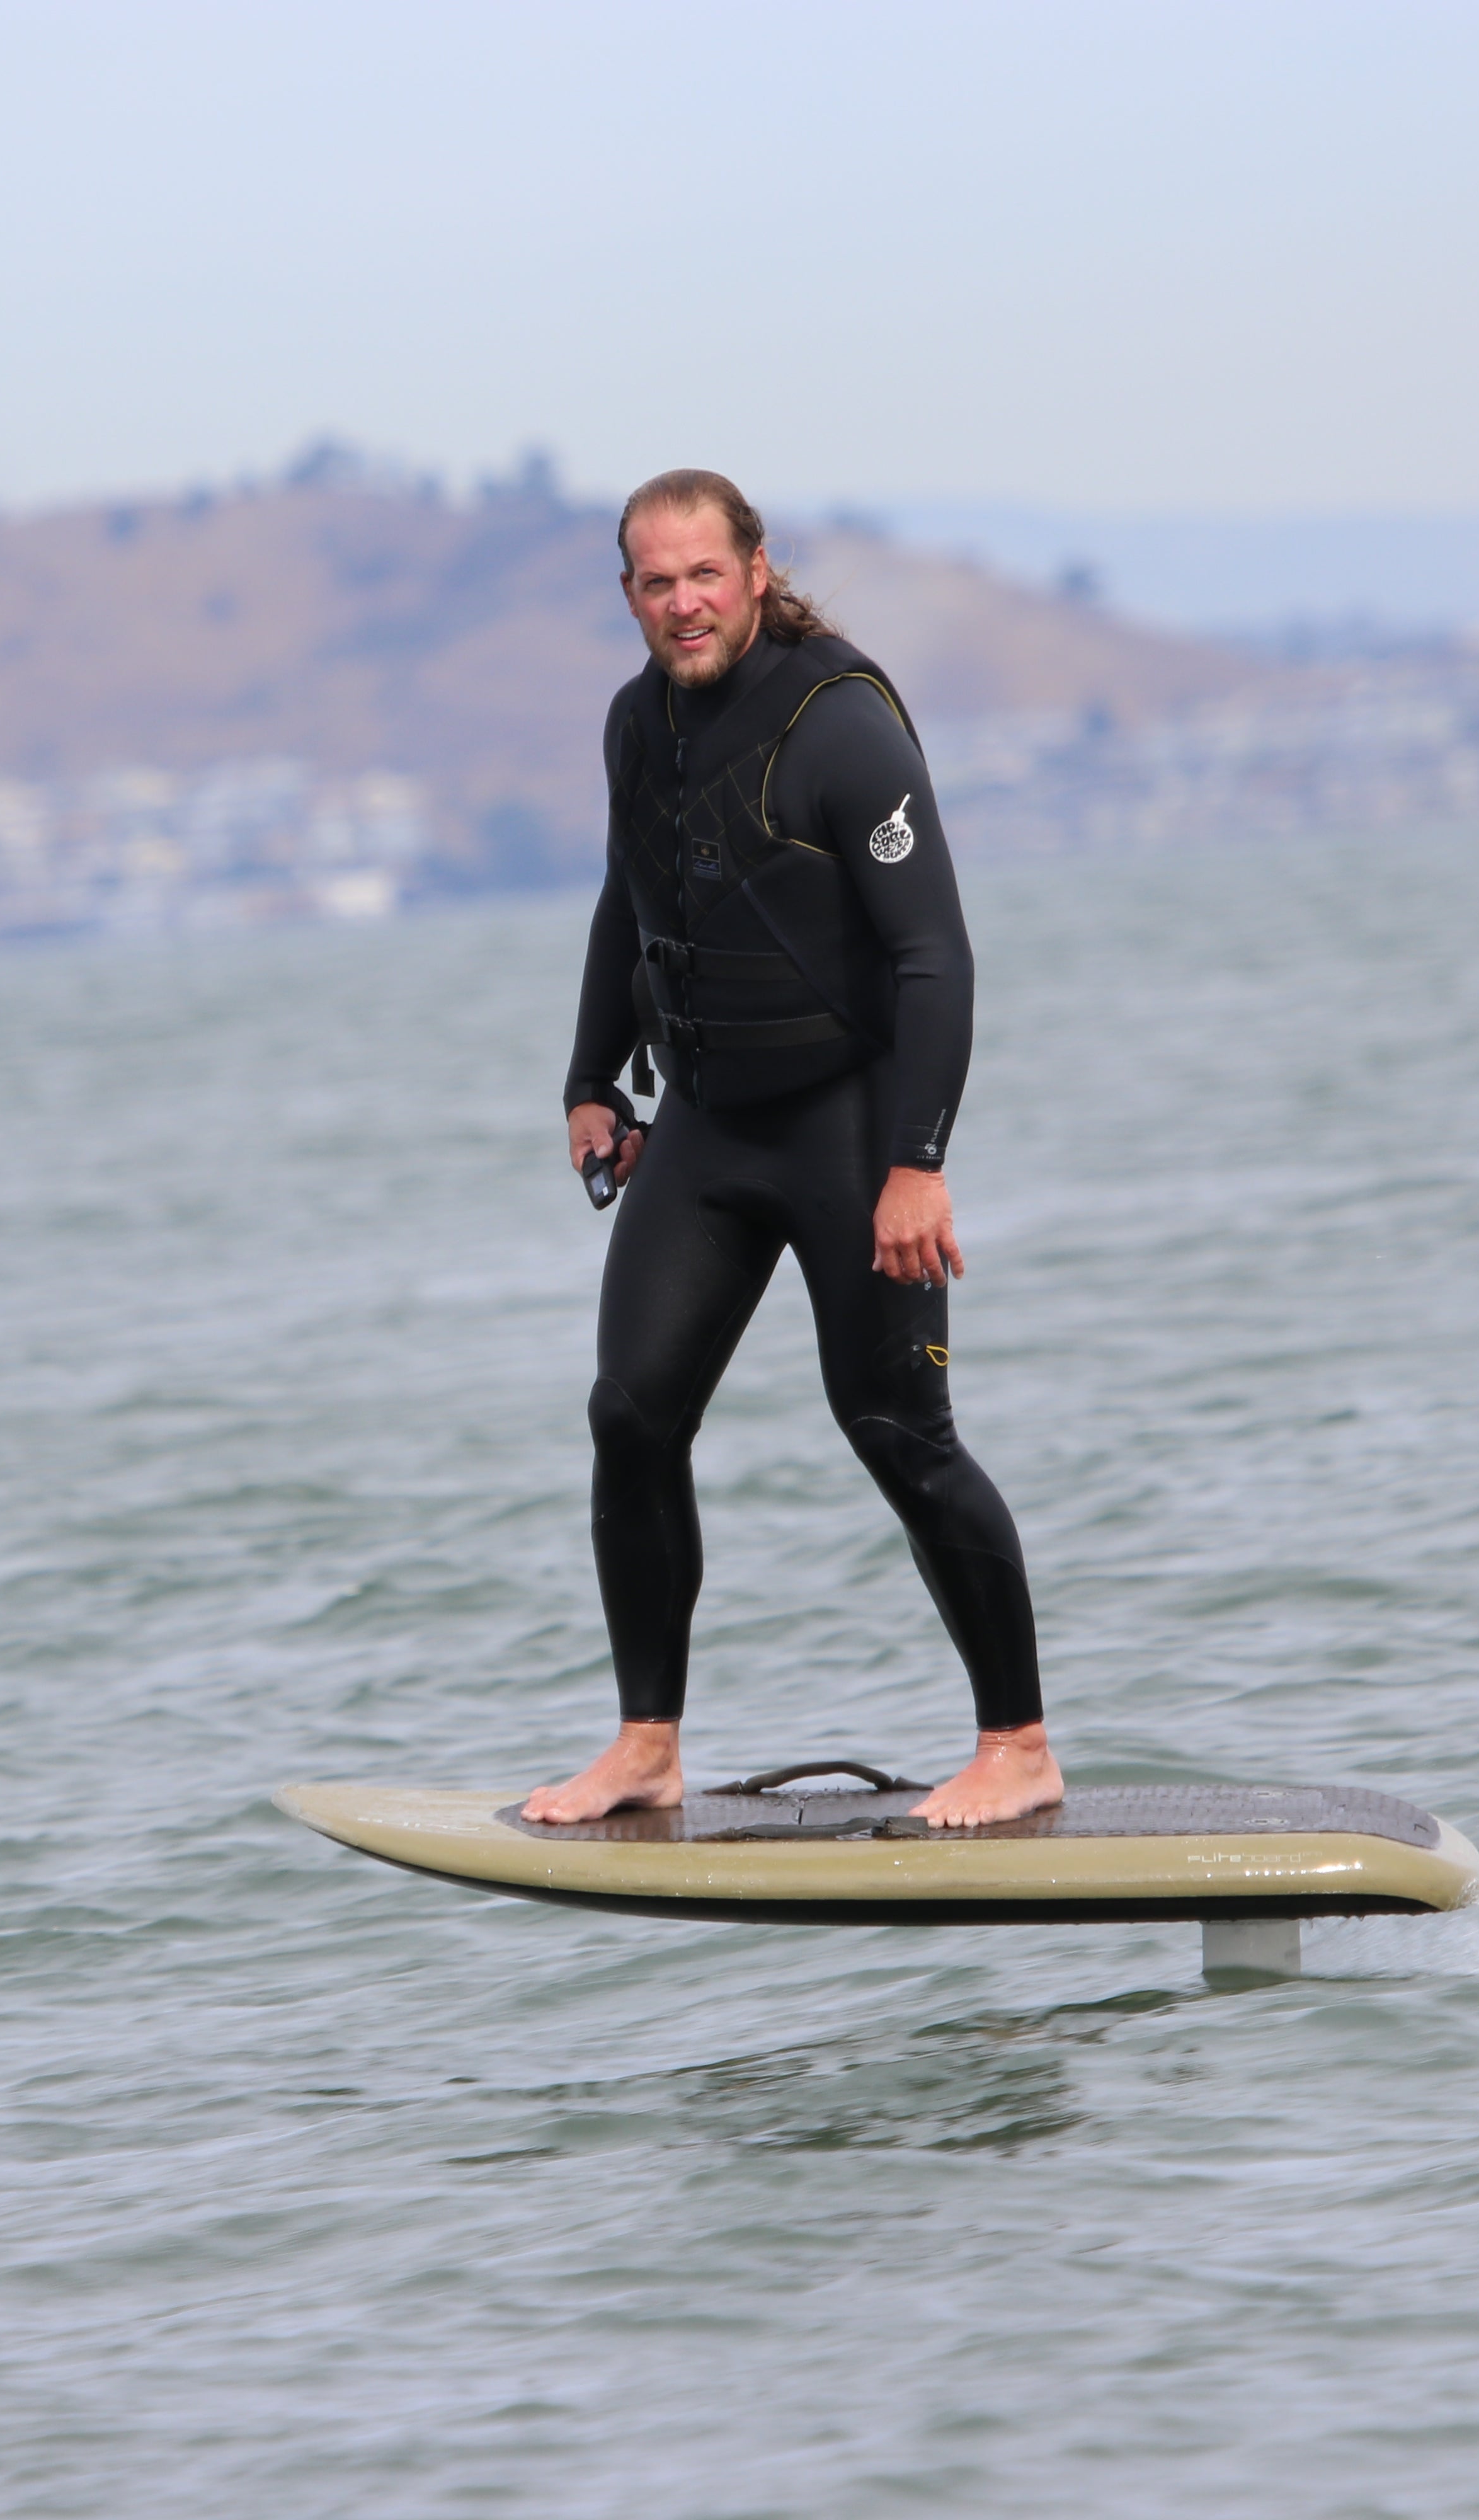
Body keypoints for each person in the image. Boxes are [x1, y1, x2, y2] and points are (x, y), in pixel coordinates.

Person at [521, 469, 1061, 1831]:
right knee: (630, 1413)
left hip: (849, 1127)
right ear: (631, 594)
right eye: (656, 581)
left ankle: (1019, 1745)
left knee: (899, 1428)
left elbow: (935, 957)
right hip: (706, 1126)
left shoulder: (844, 724)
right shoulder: (636, 727)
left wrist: (917, 1161)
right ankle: (646, 1742)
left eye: (706, 573)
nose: (683, 602)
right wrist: (595, 1076)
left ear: (756, 570)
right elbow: (624, 897)